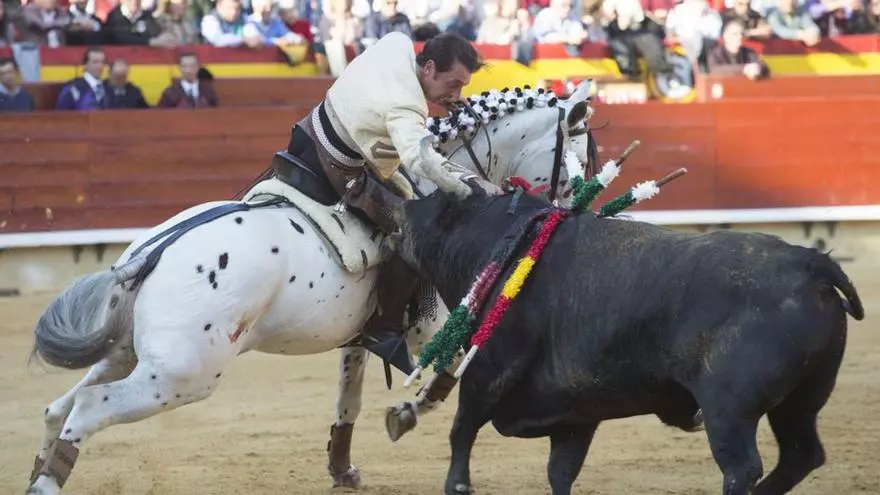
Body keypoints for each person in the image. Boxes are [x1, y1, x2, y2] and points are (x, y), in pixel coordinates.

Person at [281, 31, 493, 374]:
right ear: (427, 69)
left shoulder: (396, 42)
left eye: (462, 86)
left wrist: (446, 97)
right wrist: (471, 183)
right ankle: (384, 328)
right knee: (412, 229)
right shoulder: (407, 105)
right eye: (453, 83)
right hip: (338, 166)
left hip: (306, 134)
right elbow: (419, 160)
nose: (457, 93)